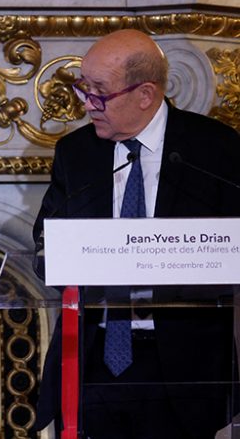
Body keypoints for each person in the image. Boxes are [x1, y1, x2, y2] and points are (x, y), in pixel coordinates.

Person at [32, 29, 240, 438]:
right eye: (83, 88)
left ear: (145, 95)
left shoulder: (216, 149)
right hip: (93, 363)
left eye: (100, 92)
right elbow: (44, 244)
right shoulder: (76, 153)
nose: (86, 104)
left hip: (184, 368)